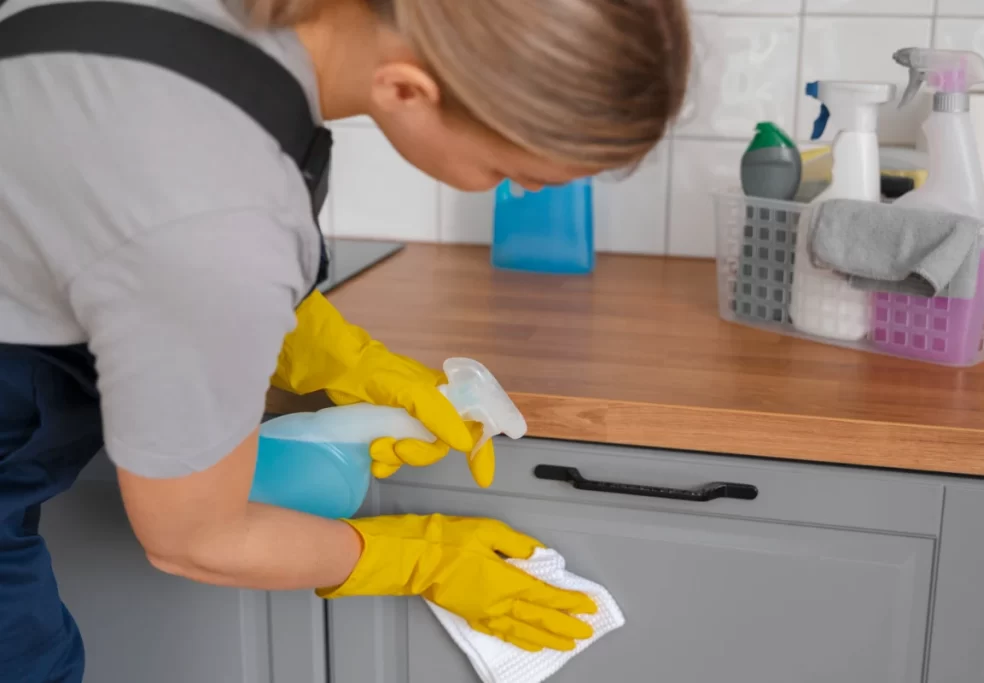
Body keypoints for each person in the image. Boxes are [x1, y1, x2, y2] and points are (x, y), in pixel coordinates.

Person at [0, 0, 691, 679]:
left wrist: (326, 347)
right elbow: (194, 538)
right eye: (507, 171)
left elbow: (98, 197)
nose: (522, 192)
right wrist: (421, 556)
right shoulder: (220, 227)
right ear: (405, 89)